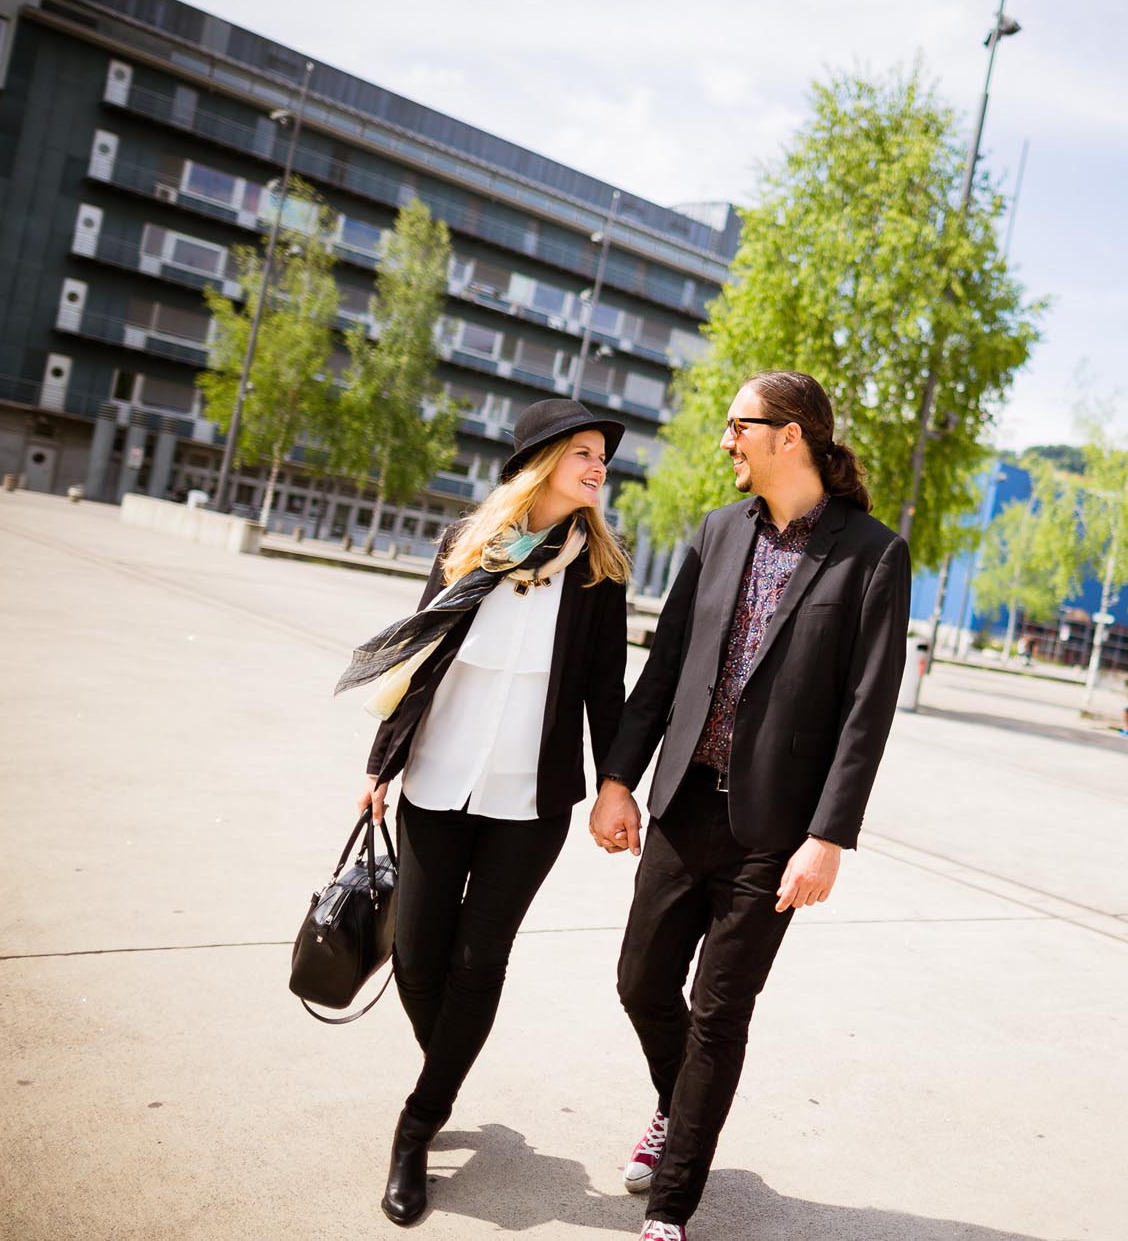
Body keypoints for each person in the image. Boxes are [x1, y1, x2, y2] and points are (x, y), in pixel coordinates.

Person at [589, 371, 911, 1241]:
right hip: (684, 804)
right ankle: (677, 1102)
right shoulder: (716, 533)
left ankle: (669, 1209)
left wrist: (828, 838)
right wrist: (618, 777)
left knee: (720, 1012)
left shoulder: (874, 554)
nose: (727, 440)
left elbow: (866, 708)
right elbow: (664, 670)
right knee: (641, 981)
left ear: (790, 435)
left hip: (776, 834)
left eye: (741, 425)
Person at [336, 399, 630, 1228]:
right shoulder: (467, 547)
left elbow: (604, 692)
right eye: (583, 451)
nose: (600, 463)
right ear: (540, 459)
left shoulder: (600, 572)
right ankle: (447, 1073)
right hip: (437, 780)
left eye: (602, 454)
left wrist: (615, 782)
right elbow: (419, 656)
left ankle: (417, 1123)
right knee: (418, 955)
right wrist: (379, 765)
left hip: (529, 800)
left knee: (478, 960)